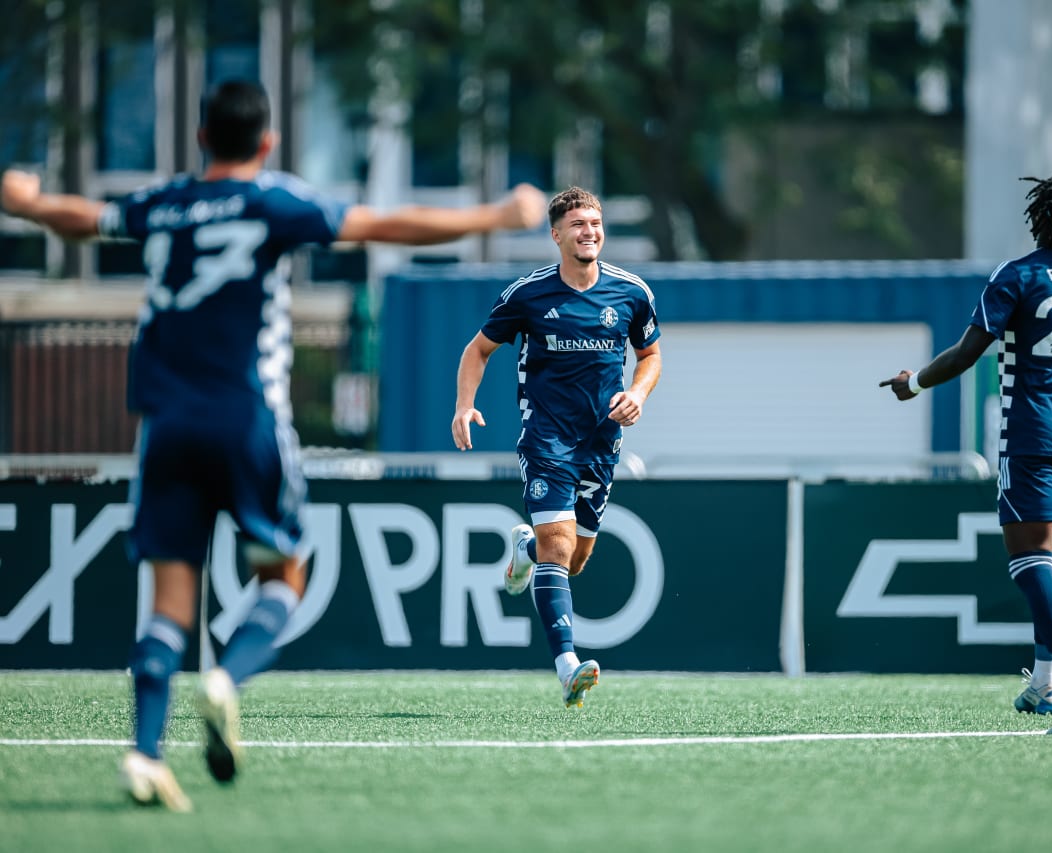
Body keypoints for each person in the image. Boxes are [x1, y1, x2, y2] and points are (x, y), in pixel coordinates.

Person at [1, 78, 545, 811]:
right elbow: (386, 225)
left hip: (164, 423)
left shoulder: (166, 203)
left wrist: (28, 204)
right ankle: (227, 678)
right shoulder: (273, 202)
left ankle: (144, 753)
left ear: (200, 137)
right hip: (244, 418)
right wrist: (495, 214)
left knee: (167, 602)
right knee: (285, 576)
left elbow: (83, 219)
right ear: (268, 142)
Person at [880, 173, 1052, 735]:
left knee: (1027, 558)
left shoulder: (1017, 275)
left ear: (1039, 217)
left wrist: (912, 383)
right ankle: (1044, 682)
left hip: (1032, 433)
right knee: (1051, 553)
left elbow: (967, 354)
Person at [451, 186, 661, 708]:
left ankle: (525, 551)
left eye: (595, 223)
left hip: (601, 441)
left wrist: (637, 394)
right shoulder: (528, 294)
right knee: (560, 548)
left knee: (575, 558)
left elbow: (650, 355)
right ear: (556, 235)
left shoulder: (631, 292)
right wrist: (464, 406)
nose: (589, 232)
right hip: (547, 436)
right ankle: (568, 666)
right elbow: (478, 350)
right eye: (578, 225)